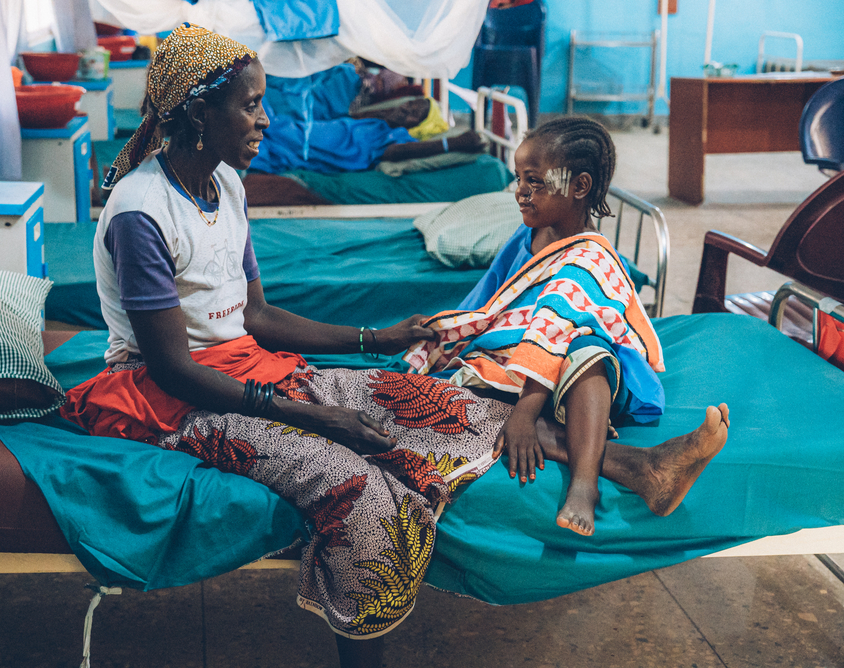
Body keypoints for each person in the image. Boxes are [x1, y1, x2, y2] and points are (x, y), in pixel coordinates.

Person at [65, 26, 729, 667]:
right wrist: (314, 414)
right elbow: (174, 370)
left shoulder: (226, 185)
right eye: (252, 105)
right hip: (167, 402)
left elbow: (256, 315)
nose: (265, 120)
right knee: (361, 490)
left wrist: (375, 339)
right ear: (200, 112)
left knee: (442, 405)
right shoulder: (140, 212)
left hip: (249, 367)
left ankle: (643, 471)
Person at [405, 117, 675, 538]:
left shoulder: (590, 257)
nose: (520, 192)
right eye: (518, 179)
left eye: (535, 182)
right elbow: (490, 300)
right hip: (517, 361)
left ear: (579, 186)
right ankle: (634, 465)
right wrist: (450, 335)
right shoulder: (527, 235)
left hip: (577, 376)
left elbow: (556, 329)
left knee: (588, 353)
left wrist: (526, 415)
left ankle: (585, 484)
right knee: (458, 393)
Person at [250, 62, 485, 174]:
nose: (407, 109)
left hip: (305, 144)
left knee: (272, 129)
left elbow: (400, 153)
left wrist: (452, 144)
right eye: (411, 104)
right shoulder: (378, 122)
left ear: (417, 127)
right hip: (305, 131)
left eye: (416, 114)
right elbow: (353, 115)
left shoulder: (395, 139)